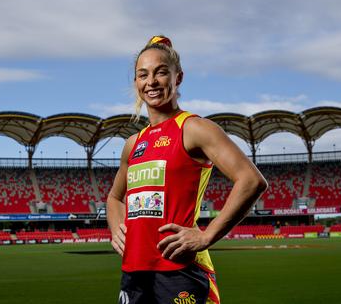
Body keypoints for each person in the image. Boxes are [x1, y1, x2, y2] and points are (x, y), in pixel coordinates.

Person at [107, 35, 268, 304]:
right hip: (134, 271)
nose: (151, 82)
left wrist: (207, 234)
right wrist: (116, 228)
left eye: (161, 72)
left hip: (180, 268)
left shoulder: (194, 128)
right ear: (136, 83)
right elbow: (115, 197)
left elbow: (251, 180)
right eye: (143, 75)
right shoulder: (132, 144)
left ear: (177, 77)